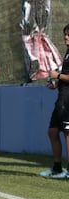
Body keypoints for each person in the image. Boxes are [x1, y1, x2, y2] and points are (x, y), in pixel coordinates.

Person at [39, 24, 69, 178]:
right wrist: (56, 83)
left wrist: (57, 75)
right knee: (52, 132)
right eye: (65, 34)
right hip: (61, 100)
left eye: (68, 35)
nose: (66, 37)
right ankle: (57, 168)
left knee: (68, 134)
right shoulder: (68, 53)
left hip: (68, 101)